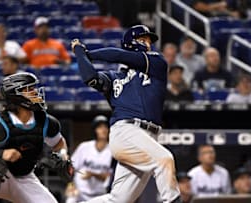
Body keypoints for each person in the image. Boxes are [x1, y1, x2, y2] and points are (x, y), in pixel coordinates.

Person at [72, 25, 182, 203]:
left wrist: (89, 54)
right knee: (164, 159)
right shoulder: (114, 77)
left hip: (147, 136)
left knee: (119, 200)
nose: (148, 44)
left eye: (149, 41)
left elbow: (120, 56)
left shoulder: (156, 63)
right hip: (126, 131)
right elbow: (90, 77)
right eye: (143, 40)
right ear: (130, 42)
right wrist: (80, 54)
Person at [0, 72, 70, 203]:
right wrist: (2, 153)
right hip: (0, 176)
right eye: (30, 89)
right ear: (16, 94)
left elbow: (59, 143)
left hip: (25, 176)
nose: (35, 92)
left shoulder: (45, 121)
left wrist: (62, 155)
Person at [66, 115, 113, 203]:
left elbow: (111, 178)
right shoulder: (84, 147)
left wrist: (93, 174)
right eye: (99, 127)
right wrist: (70, 185)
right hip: (80, 193)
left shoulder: (113, 151)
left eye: (105, 127)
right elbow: (71, 168)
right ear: (95, 130)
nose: (103, 130)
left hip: (100, 195)